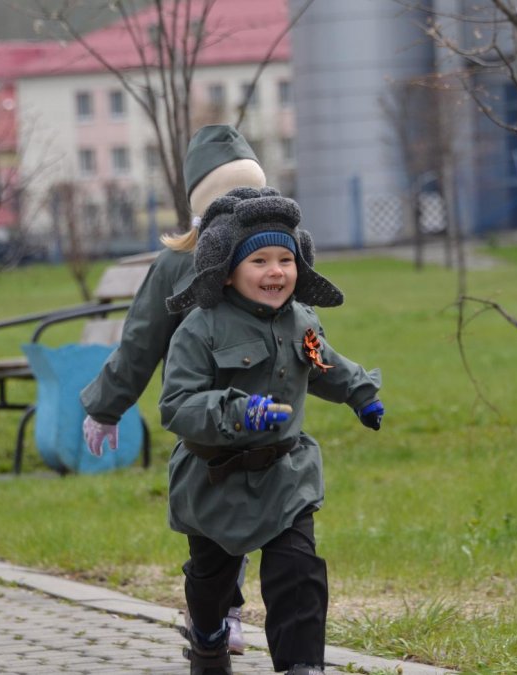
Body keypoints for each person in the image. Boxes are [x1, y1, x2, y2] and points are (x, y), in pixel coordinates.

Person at [157, 186, 385, 675]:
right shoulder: (201, 328)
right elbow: (176, 405)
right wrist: (240, 412)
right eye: (259, 260)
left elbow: (323, 363)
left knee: (297, 570)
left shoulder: (302, 319)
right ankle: (208, 636)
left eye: (286, 258)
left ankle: (303, 665)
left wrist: (361, 393)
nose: (275, 271)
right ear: (229, 269)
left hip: (285, 474)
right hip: (215, 479)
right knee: (211, 580)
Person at [80, 124, 267, 654]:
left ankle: (225, 615)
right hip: (202, 421)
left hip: (261, 417)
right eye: (232, 196)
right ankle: (215, 614)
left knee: (249, 516)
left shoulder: (270, 253)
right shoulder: (176, 265)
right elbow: (141, 341)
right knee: (211, 526)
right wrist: (107, 406)